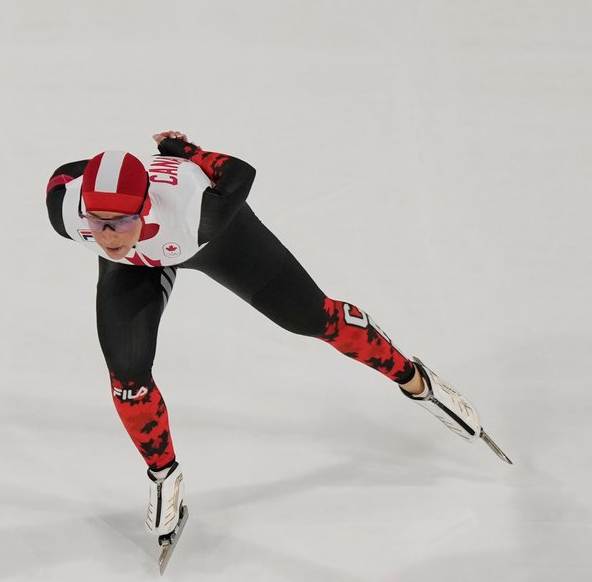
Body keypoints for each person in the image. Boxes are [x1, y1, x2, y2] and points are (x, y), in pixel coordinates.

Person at [45, 130, 508, 541]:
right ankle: (165, 476)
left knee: (312, 318)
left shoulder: (199, 213)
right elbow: (64, 176)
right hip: (139, 261)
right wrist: (108, 182)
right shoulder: (68, 213)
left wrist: (190, 153)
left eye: (121, 221)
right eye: (98, 221)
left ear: (145, 207)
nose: (107, 236)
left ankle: (416, 381)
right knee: (127, 374)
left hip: (214, 243)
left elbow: (240, 173)